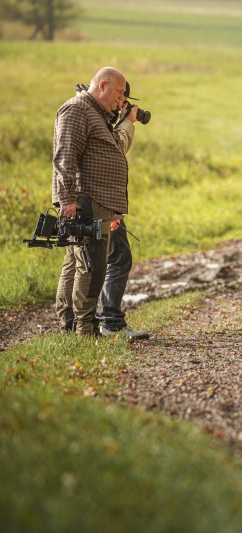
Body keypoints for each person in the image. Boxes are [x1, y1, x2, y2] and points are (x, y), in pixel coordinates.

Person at [52, 67, 135, 337]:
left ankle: (71, 327)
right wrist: (67, 200)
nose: (121, 99)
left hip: (95, 200)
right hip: (86, 200)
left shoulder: (97, 114)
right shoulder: (77, 109)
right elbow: (65, 157)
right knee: (91, 265)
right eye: (119, 92)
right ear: (102, 86)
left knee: (78, 263)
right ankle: (84, 331)